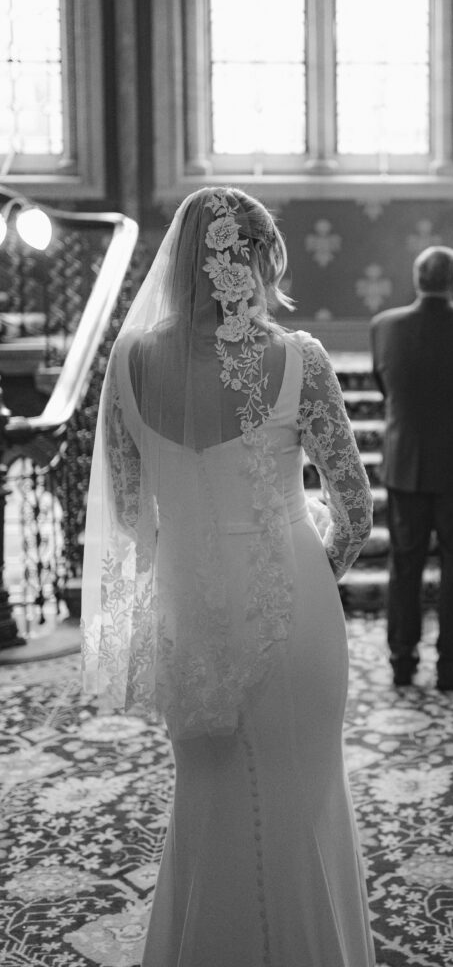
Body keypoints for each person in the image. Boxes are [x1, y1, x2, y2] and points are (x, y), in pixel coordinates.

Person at [81, 186, 375, 966]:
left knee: (208, 803)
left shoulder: (128, 366)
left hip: (188, 613)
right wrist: (306, 570)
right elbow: (356, 512)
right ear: (259, 255)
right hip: (293, 611)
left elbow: (128, 513)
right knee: (304, 798)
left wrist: (180, 576)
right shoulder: (299, 359)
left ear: (179, 261)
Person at [370, 246, 453, 690]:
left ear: (417, 279)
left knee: (404, 565)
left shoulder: (384, 327)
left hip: (406, 464)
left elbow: (385, 386)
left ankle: (402, 661)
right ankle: (452, 664)